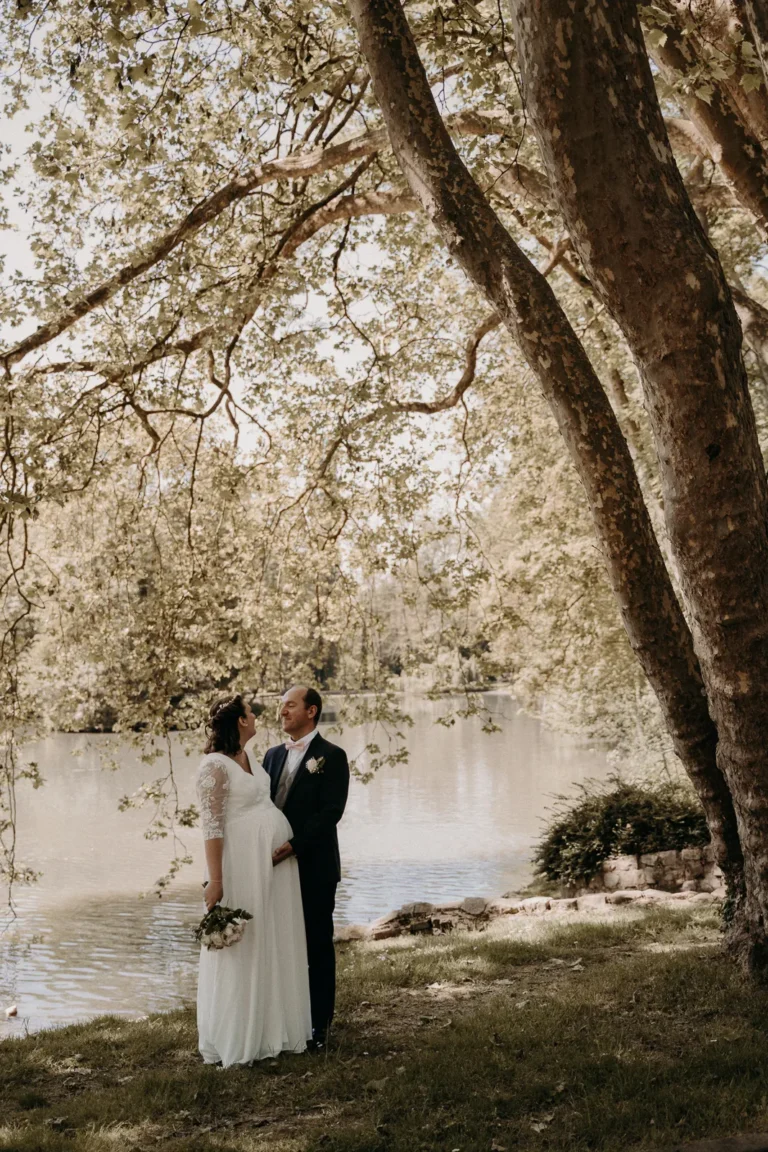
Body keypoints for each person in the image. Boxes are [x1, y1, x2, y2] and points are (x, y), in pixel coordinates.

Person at [196, 694, 312, 1066]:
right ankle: (239, 1036)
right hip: (241, 864)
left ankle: (272, 1030)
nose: (257, 715)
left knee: (271, 938)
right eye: (250, 712)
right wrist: (216, 881)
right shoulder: (213, 766)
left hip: (272, 867)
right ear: (240, 722)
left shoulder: (249, 758)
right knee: (244, 946)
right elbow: (211, 827)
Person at [264, 685, 350, 1048]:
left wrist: (294, 846)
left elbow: (332, 812)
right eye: (281, 706)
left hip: (313, 865)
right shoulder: (270, 756)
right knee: (282, 944)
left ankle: (320, 1026)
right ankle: (288, 1020)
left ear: (311, 711)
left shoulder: (332, 755)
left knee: (317, 945)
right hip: (277, 869)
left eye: (290, 705)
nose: (282, 711)